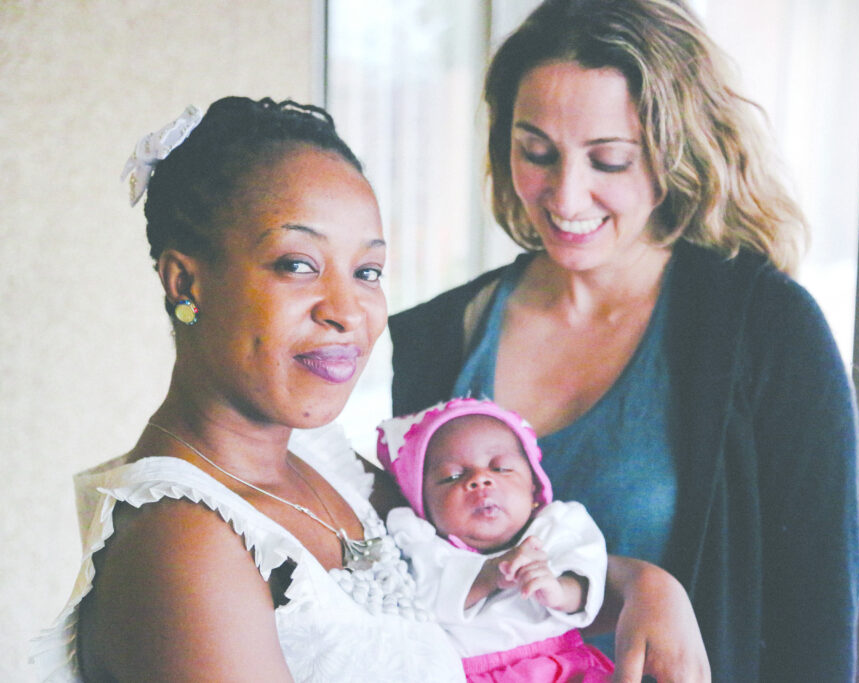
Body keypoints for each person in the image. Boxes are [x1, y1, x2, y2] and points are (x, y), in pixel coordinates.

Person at [31, 96, 708, 682]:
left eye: (368, 271)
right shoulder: (185, 545)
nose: (347, 310)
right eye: (297, 264)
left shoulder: (333, 468)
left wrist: (644, 584)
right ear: (187, 283)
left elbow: (494, 567)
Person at [388, 0, 859, 680]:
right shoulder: (443, 336)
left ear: (677, 150)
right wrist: (635, 581)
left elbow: (815, 633)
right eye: (537, 152)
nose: (566, 196)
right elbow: (410, 589)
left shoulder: (768, 331)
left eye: (608, 159)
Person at [377, 397, 614, 681]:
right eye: (452, 476)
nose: (480, 480)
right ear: (423, 505)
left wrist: (558, 589)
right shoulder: (421, 543)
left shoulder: (556, 526)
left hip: (566, 669)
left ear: (535, 488)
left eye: (500, 468)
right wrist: (490, 573)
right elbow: (427, 602)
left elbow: (588, 582)